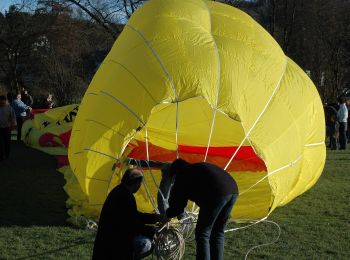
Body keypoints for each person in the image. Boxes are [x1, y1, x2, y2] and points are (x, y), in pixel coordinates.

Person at [165, 159, 239, 260]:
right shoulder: (195, 168)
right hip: (233, 190)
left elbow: (178, 205)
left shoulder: (183, 175)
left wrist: (166, 215)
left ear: (175, 172)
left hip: (216, 193)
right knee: (218, 231)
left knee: (203, 233)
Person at [92, 168, 163, 260]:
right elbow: (131, 224)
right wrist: (153, 231)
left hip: (106, 241)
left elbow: (133, 216)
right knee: (146, 243)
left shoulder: (118, 191)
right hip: (115, 243)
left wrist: (156, 218)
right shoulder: (126, 197)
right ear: (137, 183)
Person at [0, 95, 16, 161]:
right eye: (0, 103)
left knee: (7, 143)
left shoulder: (9, 108)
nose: (1, 104)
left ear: (5, 101)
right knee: (0, 143)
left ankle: (7, 155)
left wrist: (12, 125)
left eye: (3, 102)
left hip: (7, 128)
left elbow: (13, 118)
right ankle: (1, 156)